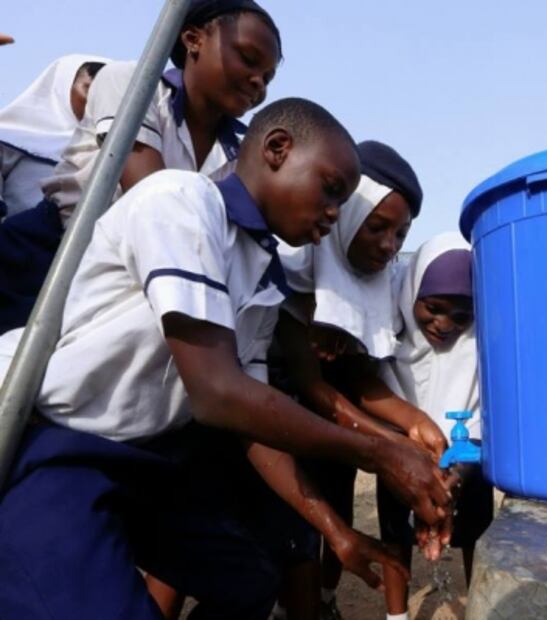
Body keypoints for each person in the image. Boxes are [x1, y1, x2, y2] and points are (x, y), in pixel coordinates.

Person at [0, 97, 450, 620]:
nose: (333, 212)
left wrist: (337, 532)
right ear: (277, 149)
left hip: (145, 459)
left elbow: (252, 424)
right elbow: (217, 394)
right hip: (57, 439)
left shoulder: (262, 276)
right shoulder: (181, 203)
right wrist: (380, 454)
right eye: (330, 190)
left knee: (249, 580)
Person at [0, 0, 281, 334]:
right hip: (45, 257)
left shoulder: (240, 153)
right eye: (248, 60)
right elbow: (152, 198)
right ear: (193, 39)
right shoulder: (132, 83)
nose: (258, 83)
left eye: (268, 77)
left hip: (130, 291)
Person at [273, 140, 449, 619]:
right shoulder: (296, 273)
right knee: (300, 538)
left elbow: (359, 379)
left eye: (400, 234)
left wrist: (413, 423)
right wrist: (394, 446)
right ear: (346, 215)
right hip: (282, 431)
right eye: (378, 227)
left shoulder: (375, 286)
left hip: (337, 435)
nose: (389, 246)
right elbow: (315, 388)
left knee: (339, 516)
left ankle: (324, 604)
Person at [377, 232, 494, 620]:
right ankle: (395, 617)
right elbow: (377, 401)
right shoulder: (388, 340)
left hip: (467, 462)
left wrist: (455, 475)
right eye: (433, 308)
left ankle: (479, 609)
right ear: (411, 294)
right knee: (395, 539)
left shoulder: (479, 347)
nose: (444, 325)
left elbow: (483, 413)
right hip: (398, 455)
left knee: (476, 535)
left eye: (461, 317)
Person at [0, 55, 107, 219]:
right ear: (62, 88)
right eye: (89, 89)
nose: (97, 101)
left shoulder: (114, 151)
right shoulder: (11, 136)